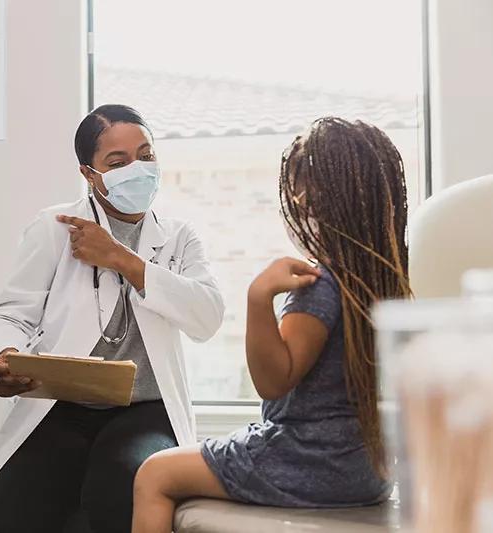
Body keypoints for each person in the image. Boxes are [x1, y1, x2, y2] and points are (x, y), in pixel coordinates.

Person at [131, 117, 411, 533]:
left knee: (154, 473)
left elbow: (273, 381)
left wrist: (258, 297)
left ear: (312, 203)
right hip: (367, 470)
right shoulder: (387, 281)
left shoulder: (321, 286)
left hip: (306, 463)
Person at [0, 104, 225, 533]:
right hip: (62, 405)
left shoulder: (180, 237)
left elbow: (207, 316)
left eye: (146, 156)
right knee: (11, 509)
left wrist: (122, 259)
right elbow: (11, 313)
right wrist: (5, 354)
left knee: (118, 491)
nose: (139, 169)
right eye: (118, 161)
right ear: (90, 175)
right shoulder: (55, 228)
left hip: (145, 408)